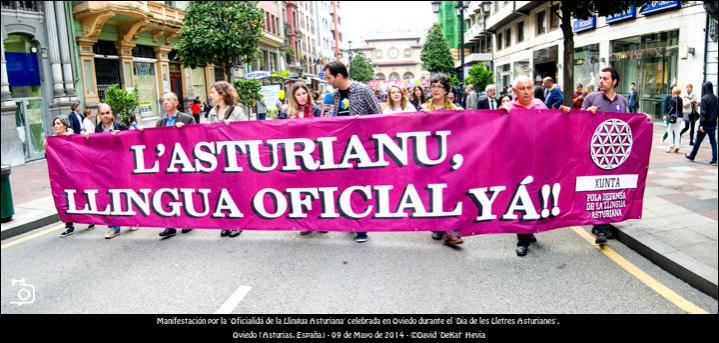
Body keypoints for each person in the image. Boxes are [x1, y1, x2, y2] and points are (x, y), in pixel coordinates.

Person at [499, 75, 570, 256]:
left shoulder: (540, 105)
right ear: (514, 91)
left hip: (539, 160)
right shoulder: (507, 108)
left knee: (536, 196)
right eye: (522, 88)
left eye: (529, 87)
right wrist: (498, 117)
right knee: (521, 198)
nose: (526, 91)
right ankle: (522, 239)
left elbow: (552, 127)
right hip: (517, 162)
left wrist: (565, 115)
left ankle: (529, 230)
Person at [324, 60, 381, 243]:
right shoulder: (334, 95)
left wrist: (362, 124)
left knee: (360, 187)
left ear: (339, 75)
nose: (328, 81)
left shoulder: (363, 90)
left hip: (361, 147)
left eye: (329, 77)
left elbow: (378, 115)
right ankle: (351, 219)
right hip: (341, 149)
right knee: (345, 187)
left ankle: (361, 226)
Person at [581, 67, 631, 246]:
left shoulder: (622, 100)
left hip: (615, 154)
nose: (601, 81)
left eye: (605, 78)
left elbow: (629, 123)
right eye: (600, 78)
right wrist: (587, 114)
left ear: (614, 81)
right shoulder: (590, 98)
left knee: (611, 189)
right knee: (599, 189)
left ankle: (601, 224)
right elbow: (578, 124)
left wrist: (645, 119)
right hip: (595, 153)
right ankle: (601, 229)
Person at [419, 73, 464, 248]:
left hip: (448, 157)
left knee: (449, 192)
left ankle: (451, 232)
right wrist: (420, 118)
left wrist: (462, 116)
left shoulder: (454, 108)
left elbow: (461, 132)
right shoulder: (423, 107)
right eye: (433, 86)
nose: (436, 89)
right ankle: (437, 225)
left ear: (446, 90)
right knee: (433, 190)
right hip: (428, 157)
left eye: (440, 86)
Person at [84, 104, 129, 239]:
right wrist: (87, 137)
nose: (105, 116)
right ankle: (113, 227)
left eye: (107, 112)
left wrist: (121, 136)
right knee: (110, 197)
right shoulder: (97, 129)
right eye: (102, 113)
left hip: (122, 167)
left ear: (112, 113)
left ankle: (131, 220)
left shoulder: (121, 126)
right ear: (99, 115)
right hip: (106, 170)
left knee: (125, 195)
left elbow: (132, 141)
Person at [155, 92, 197, 239]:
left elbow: (196, 140)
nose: (165, 102)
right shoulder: (160, 123)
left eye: (168, 100)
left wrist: (184, 130)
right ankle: (170, 224)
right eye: (163, 100)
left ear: (176, 102)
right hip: (166, 163)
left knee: (184, 191)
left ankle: (187, 220)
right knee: (168, 192)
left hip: (182, 161)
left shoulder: (187, 119)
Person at [51, 115, 94, 237]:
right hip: (60, 175)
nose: (55, 126)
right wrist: (47, 147)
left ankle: (89, 218)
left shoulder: (73, 138)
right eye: (54, 124)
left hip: (75, 173)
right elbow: (49, 158)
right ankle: (69, 225)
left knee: (80, 195)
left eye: (58, 123)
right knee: (63, 198)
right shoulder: (51, 140)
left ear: (65, 125)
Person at [686, 82, 717, 165]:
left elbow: (703, 113)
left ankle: (692, 155)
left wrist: (701, 125)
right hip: (713, 124)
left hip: (705, 124)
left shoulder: (704, 98)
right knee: (713, 142)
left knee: (698, 141)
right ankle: (714, 159)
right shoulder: (715, 98)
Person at [664, 87, 684, 153]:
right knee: (677, 131)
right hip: (680, 117)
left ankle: (670, 146)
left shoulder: (672, 99)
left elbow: (671, 109)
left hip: (674, 116)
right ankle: (677, 146)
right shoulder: (680, 99)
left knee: (669, 130)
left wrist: (668, 114)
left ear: (674, 92)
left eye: (672, 90)